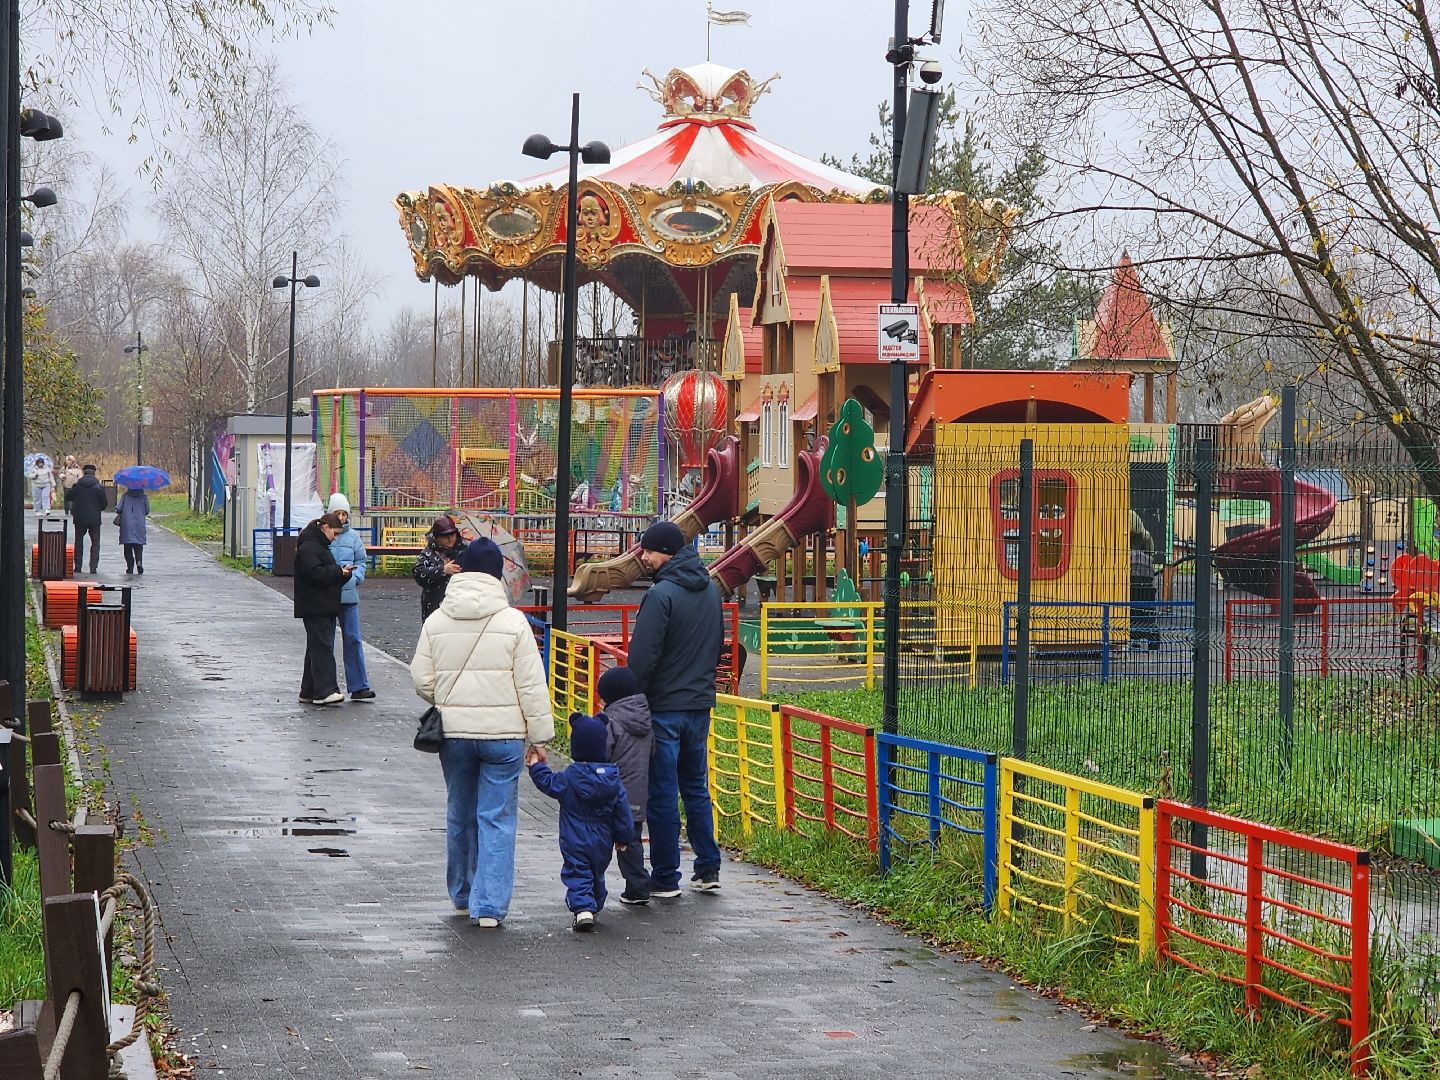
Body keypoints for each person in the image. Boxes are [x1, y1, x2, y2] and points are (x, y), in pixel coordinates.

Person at [410, 537, 555, 927]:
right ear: (496, 575)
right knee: (497, 817)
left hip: (454, 735)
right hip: (503, 736)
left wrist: (447, 696)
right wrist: (539, 737)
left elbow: (421, 679)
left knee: (460, 812)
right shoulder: (513, 622)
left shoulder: (438, 619)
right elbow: (531, 684)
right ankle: (489, 906)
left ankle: (461, 893)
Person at [626, 520, 724, 897]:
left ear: (666, 551)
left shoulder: (661, 595)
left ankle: (666, 875)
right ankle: (708, 866)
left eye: (648, 551)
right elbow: (716, 646)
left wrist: (633, 698)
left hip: (664, 707)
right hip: (699, 704)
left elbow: (643, 658)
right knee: (696, 787)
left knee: (663, 791)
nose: (644, 557)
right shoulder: (711, 591)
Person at [525, 713, 634, 931]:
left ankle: (583, 909)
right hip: (603, 838)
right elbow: (623, 812)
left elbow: (548, 783)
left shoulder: (570, 777)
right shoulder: (613, 780)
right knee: (596, 872)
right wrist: (623, 837)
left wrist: (536, 767)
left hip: (574, 836)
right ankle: (594, 903)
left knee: (578, 871)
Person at [596, 665, 654, 906]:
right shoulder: (646, 720)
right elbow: (652, 754)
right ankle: (638, 887)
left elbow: (601, 754)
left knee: (598, 842)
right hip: (637, 795)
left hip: (610, 794)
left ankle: (592, 889)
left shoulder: (610, 722)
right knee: (631, 842)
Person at [293, 511, 353, 707]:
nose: (335, 539)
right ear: (325, 526)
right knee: (322, 646)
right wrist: (338, 571)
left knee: (315, 647)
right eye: (334, 533)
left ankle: (309, 690)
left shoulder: (314, 544)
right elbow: (313, 573)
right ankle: (325, 690)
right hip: (316, 604)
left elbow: (316, 571)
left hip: (318, 604)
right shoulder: (311, 546)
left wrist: (341, 573)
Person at [326, 493, 374, 700]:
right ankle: (328, 686)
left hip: (348, 595)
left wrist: (355, 578)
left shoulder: (353, 538)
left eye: (344, 513)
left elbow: (361, 561)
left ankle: (359, 685)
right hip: (327, 595)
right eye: (338, 513)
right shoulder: (324, 536)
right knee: (325, 642)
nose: (342, 517)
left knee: (353, 639)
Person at [413, 514, 469, 621]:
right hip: (434, 605)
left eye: (453, 535)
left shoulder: (463, 551)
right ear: (436, 537)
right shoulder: (428, 553)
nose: (450, 539)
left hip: (460, 603)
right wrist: (442, 570)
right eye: (445, 536)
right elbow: (419, 573)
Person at [65, 464, 108, 574]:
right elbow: (104, 503)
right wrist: (98, 509)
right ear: (94, 473)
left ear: (83, 473)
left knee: (79, 542)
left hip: (80, 518)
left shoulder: (77, 485)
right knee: (95, 543)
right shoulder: (99, 487)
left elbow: (68, 497)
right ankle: (93, 567)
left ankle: (78, 567)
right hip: (94, 519)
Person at [115, 487, 150, 574]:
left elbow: (118, 508)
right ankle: (139, 562)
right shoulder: (144, 497)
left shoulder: (125, 496)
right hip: (139, 524)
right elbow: (147, 511)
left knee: (127, 547)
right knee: (138, 546)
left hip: (127, 524)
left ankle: (130, 567)